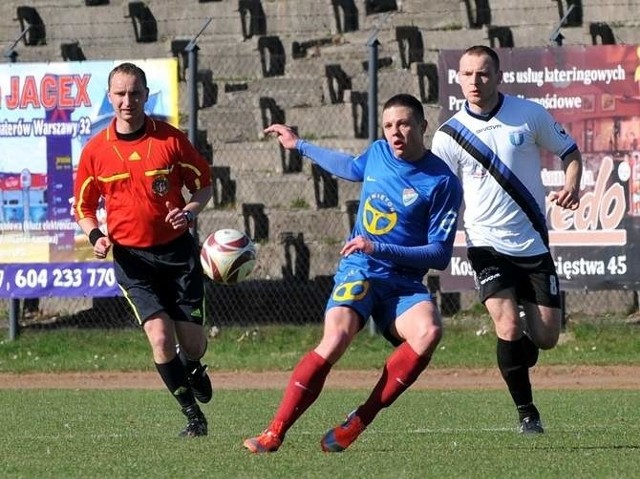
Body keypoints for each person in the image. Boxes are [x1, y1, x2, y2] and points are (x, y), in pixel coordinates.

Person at [243, 93, 463, 453]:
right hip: (360, 269)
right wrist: (300, 145)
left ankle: (358, 421)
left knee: (429, 331)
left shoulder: (442, 182)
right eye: (389, 125)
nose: (396, 133)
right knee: (336, 339)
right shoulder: (378, 153)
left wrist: (380, 247)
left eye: (405, 124)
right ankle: (274, 432)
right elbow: (348, 166)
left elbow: (439, 255)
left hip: (402, 283)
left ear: (423, 127)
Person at [431, 45, 583, 434]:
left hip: (532, 245)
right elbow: (438, 188)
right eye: (467, 74)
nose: (474, 81)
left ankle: (517, 352)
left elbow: (569, 151)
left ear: (499, 77)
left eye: (482, 74)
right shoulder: (449, 135)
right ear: (458, 79)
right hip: (484, 246)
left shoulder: (528, 115)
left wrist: (572, 185)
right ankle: (527, 413)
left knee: (546, 337)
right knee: (507, 327)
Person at [73, 62, 214, 437]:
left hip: (178, 256)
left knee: (194, 343)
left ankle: (195, 365)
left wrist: (189, 212)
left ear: (146, 95)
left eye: (135, 93)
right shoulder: (95, 152)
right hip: (133, 261)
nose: (127, 100)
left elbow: (204, 186)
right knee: (159, 337)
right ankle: (193, 417)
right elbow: (83, 209)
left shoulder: (170, 140)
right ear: (109, 97)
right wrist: (96, 237)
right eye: (120, 93)